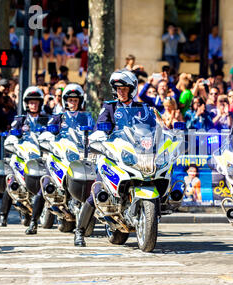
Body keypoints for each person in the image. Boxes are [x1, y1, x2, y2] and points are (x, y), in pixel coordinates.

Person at [73, 70, 146, 247]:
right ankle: (79, 232)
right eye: (118, 88)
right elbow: (100, 127)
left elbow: (152, 126)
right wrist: (100, 136)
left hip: (136, 157)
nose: (121, 92)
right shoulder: (110, 106)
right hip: (112, 155)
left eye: (125, 88)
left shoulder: (141, 108)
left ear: (132, 89)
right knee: (97, 191)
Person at [25, 83, 93, 235]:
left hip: (80, 158)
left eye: (75, 100)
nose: (72, 103)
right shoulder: (58, 117)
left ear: (80, 101)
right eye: (70, 100)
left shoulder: (86, 117)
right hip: (60, 158)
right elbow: (47, 132)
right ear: (65, 101)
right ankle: (34, 222)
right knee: (45, 185)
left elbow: (93, 133)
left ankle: (83, 221)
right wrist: (48, 136)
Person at [0, 86, 47, 227]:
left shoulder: (46, 120)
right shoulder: (20, 120)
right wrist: (14, 137)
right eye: (31, 102)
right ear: (26, 104)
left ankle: (35, 215)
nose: (34, 105)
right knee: (12, 183)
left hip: (40, 158)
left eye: (36, 102)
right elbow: (11, 137)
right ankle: (2, 216)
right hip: (21, 158)